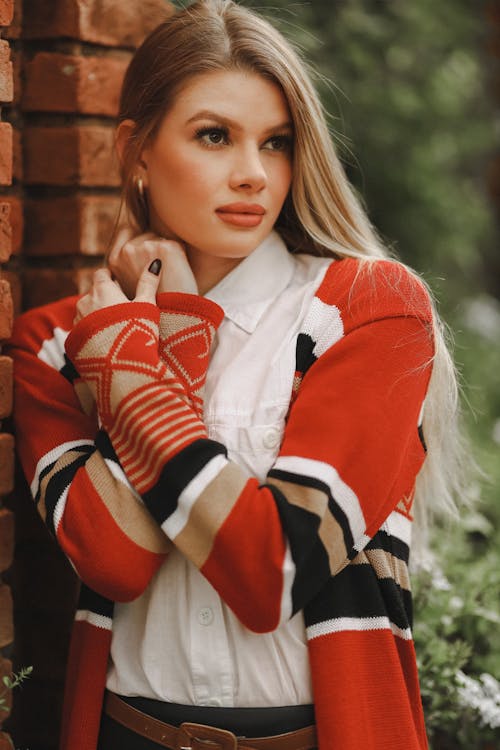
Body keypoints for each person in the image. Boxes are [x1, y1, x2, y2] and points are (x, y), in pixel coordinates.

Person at [8, 1, 464, 749]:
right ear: (138, 153)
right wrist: (173, 338)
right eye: (214, 136)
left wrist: (135, 374)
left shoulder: (367, 312)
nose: (253, 174)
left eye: (276, 143)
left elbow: (270, 573)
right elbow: (116, 560)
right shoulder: (56, 344)